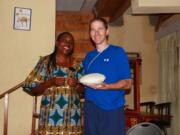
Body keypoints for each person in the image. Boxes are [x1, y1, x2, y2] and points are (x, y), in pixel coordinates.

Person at [23, 32, 83, 135]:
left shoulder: (78, 64)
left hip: (72, 117)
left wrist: (76, 85)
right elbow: (29, 87)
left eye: (71, 42)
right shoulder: (45, 62)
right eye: (65, 40)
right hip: (50, 117)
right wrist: (50, 83)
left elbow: (85, 89)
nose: (68, 44)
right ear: (57, 42)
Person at [82, 17, 132, 135]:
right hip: (91, 109)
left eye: (100, 29)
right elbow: (86, 82)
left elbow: (127, 83)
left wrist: (108, 86)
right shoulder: (89, 56)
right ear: (90, 34)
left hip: (112, 109)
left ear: (107, 31)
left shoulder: (118, 52)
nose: (96, 33)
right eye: (93, 30)